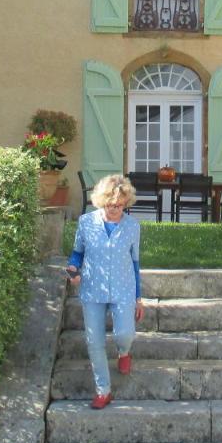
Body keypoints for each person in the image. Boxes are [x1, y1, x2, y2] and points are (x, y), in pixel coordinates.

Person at [66, 174, 143, 409]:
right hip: (92, 289)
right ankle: (103, 391)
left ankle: (124, 352)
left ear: (126, 203)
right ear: (101, 201)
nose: (115, 209)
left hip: (123, 288)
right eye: (111, 205)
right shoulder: (86, 223)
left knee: (124, 334)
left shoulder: (132, 227)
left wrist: (139, 297)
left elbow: (135, 263)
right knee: (94, 341)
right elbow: (77, 252)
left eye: (120, 205)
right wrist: (72, 268)